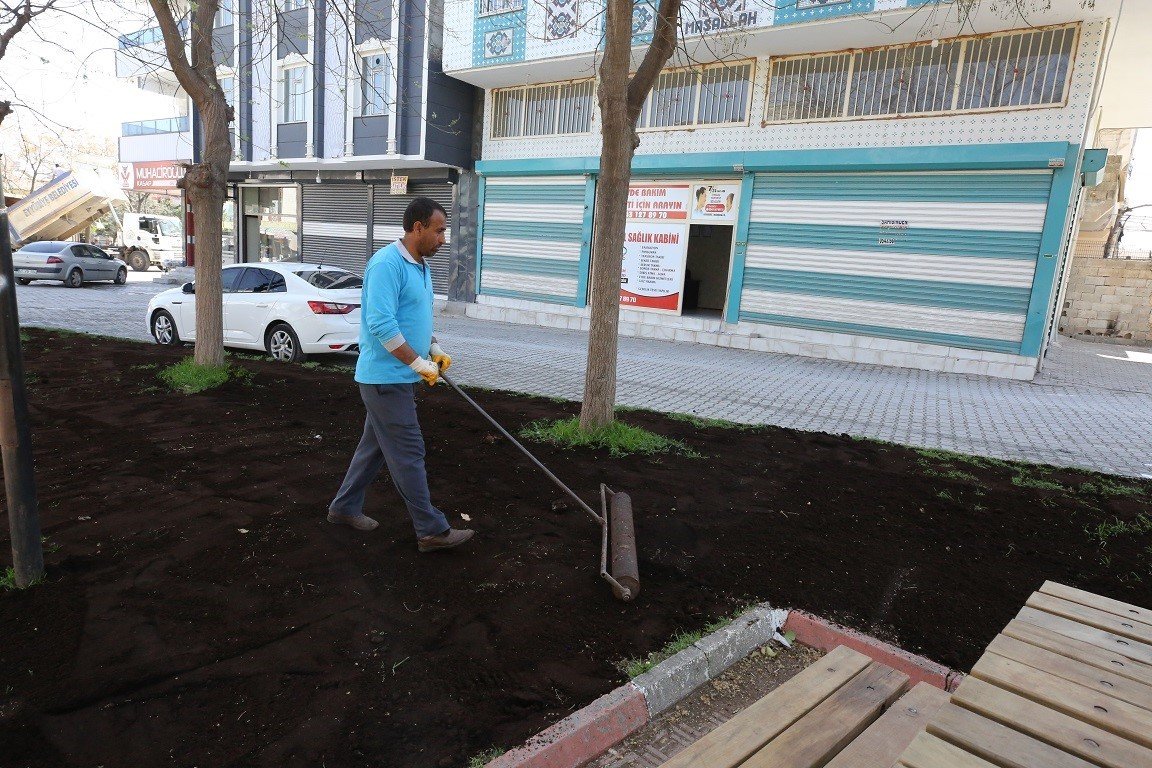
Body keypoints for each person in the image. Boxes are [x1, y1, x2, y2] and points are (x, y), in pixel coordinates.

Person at [327, 197, 475, 553]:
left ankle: (343, 508)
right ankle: (431, 530)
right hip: (384, 379)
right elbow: (381, 323)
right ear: (418, 227)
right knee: (409, 451)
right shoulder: (386, 265)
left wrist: (433, 348)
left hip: (398, 377)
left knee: (374, 448)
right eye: (439, 231)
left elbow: (414, 319)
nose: (444, 238)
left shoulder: (420, 266)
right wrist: (416, 364)